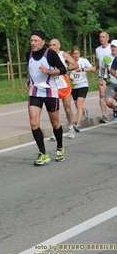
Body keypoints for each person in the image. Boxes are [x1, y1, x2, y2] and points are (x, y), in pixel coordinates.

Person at [25, 30, 67, 165]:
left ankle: (60, 147)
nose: (33, 43)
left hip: (50, 92)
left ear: (43, 42)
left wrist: (48, 71)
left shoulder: (50, 54)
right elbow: (30, 68)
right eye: (31, 40)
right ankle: (43, 153)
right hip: (35, 92)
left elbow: (63, 69)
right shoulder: (29, 54)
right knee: (33, 122)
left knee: (55, 123)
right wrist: (28, 78)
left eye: (36, 41)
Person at [49, 39, 79, 139]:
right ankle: (56, 130)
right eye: (50, 45)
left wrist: (66, 69)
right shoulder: (47, 55)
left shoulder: (63, 54)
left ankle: (70, 127)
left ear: (59, 46)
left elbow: (75, 65)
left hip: (64, 85)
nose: (52, 47)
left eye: (54, 45)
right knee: (54, 110)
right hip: (53, 86)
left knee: (67, 109)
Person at [69, 46, 96, 131]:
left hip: (83, 85)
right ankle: (85, 112)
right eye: (74, 54)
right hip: (73, 86)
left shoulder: (83, 61)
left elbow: (93, 69)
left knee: (79, 104)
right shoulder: (69, 62)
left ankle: (78, 125)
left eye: (78, 53)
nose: (76, 55)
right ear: (72, 54)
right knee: (77, 105)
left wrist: (83, 69)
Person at [95, 32, 111, 123]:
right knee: (101, 94)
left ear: (107, 38)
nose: (101, 38)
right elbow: (99, 61)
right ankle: (104, 115)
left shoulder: (112, 48)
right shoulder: (98, 50)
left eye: (103, 37)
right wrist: (94, 67)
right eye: (100, 37)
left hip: (112, 75)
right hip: (102, 75)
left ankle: (114, 110)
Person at [100, 39, 117, 120]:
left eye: (115, 47)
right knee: (108, 101)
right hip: (111, 83)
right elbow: (103, 68)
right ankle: (115, 109)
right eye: (112, 47)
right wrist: (101, 78)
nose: (113, 48)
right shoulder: (106, 58)